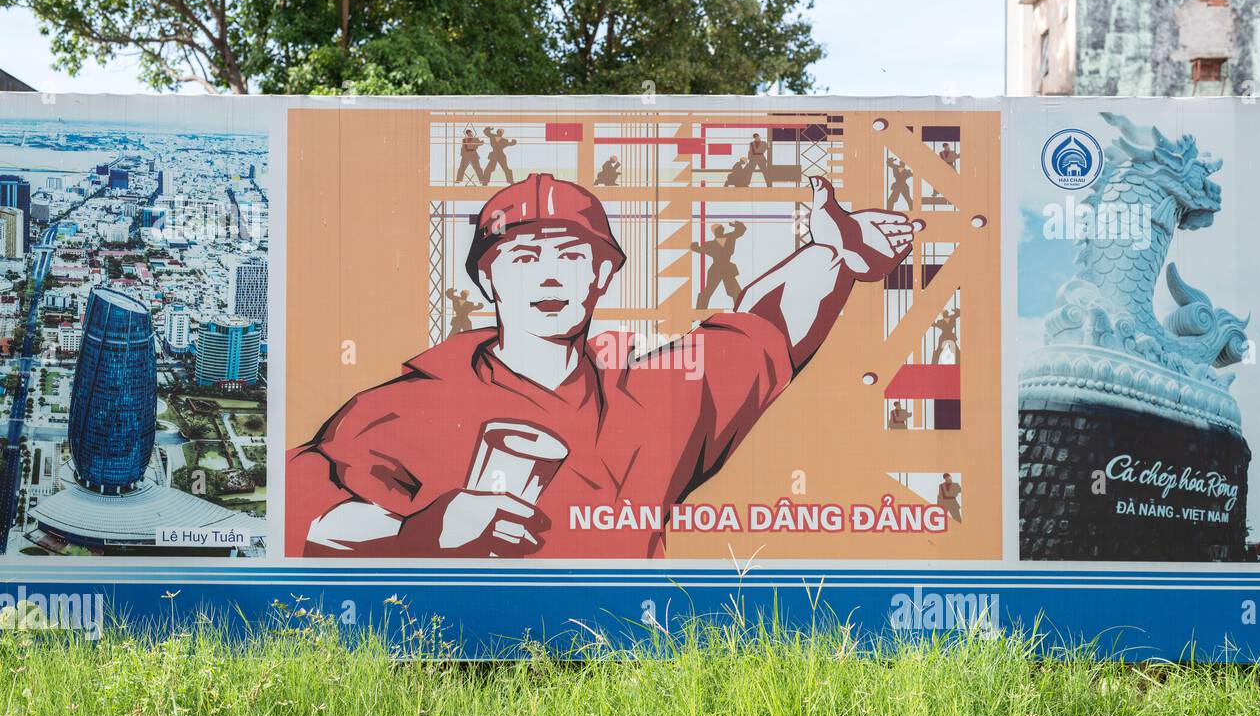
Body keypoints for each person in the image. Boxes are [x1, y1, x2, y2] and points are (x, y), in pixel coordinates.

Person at [286, 172, 916, 558]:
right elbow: (303, 515)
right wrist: (418, 534)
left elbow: (763, 329)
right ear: (488, 278)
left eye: (571, 254)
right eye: (523, 256)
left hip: (625, 683)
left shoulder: (658, 397)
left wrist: (834, 254)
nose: (549, 274)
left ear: (604, 273)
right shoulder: (408, 404)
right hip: (459, 678)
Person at [691, 221, 746, 309]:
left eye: (721, 228)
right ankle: (699, 310)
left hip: (727, 269)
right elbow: (699, 249)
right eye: (718, 229)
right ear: (714, 232)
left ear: (723, 230)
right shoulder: (709, 244)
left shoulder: (730, 237)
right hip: (715, 270)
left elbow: (741, 230)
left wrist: (735, 224)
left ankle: (739, 309)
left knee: (736, 292)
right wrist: (694, 245)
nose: (720, 230)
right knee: (708, 291)